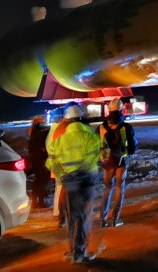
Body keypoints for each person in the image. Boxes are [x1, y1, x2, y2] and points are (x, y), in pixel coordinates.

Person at [46, 104, 101, 263]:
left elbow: (51, 162)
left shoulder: (60, 139)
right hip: (87, 180)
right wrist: (83, 169)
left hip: (70, 181)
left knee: (73, 217)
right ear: (80, 118)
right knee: (83, 216)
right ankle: (79, 253)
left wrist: (62, 174)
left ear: (67, 120)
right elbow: (96, 156)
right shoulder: (90, 136)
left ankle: (73, 250)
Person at [97, 98, 138, 228]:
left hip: (107, 162)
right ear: (121, 110)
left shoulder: (101, 127)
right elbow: (132, 147)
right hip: (121, 162)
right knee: (120, 188)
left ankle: (102, 219)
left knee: (107, 188)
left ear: (109, 110)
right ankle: (115, 218)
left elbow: (95, 145)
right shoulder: (126, 127)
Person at [26, 115, 51, 208]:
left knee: (38, 179)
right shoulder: (41, 131)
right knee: (42, 180)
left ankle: (36, 200)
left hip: (36, 158)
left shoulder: (34, 131)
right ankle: (40, 201)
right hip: (40, 158)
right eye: (42, 120)